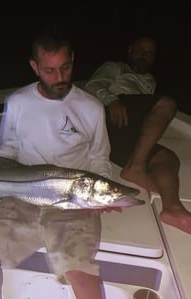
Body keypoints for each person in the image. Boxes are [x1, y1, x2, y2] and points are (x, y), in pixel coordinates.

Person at [0, 26, 125, 299]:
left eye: (65, 67)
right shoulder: (19, 102)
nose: (59, 76)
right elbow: (9, 147)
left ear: (73, 61)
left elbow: (100, 159)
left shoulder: (91, 107)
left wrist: (99, 194)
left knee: (78, 268)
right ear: (35, 67)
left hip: (74, 195)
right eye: (49, 70)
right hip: (26, 190)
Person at [85, 36, 191, 235]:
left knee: (168, 158)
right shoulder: (116, 67)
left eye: (149, 53)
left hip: (123, 137)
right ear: (130, 50)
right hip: (112, 117)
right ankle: (136, 167)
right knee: (167, 104)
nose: (144, 56)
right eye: (140, 50)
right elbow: (93, 84)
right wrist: (113, 101)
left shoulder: (150, 81)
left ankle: (172, 208)